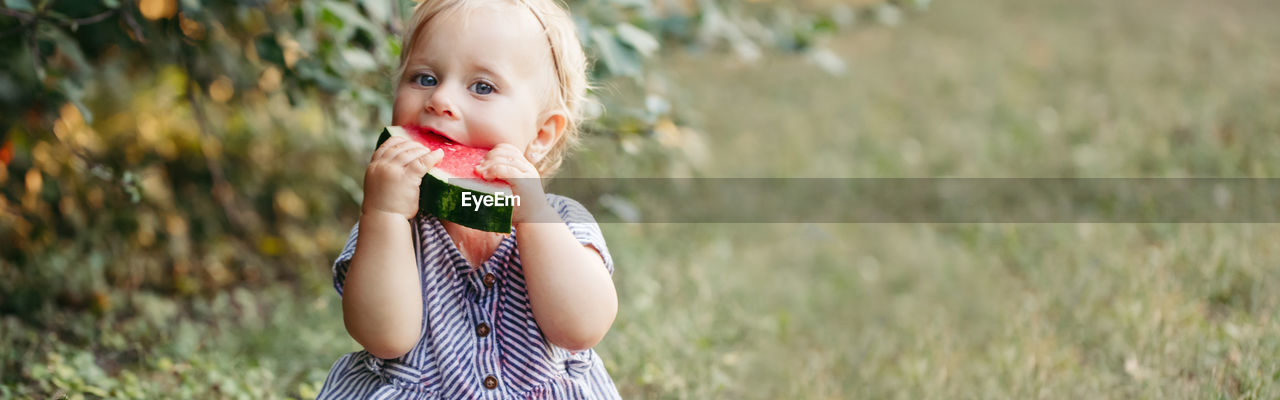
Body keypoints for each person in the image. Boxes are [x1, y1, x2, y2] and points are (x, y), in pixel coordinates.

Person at [316, 0, 620, 397]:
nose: (439, 99)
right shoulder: (390, 226)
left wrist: (534, 217)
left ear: (542, 134)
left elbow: (581, 329)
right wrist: (385, 214)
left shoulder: (563, 219)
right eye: (424, 78)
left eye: (482, 87)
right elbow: (384, 338)